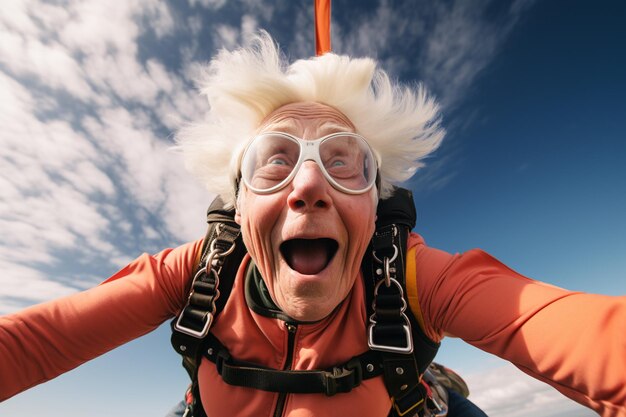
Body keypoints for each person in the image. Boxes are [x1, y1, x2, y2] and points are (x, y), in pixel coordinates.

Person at [1, 31, 624, 417]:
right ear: (238, 202)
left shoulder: (409, 274)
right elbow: (32, 344)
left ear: (373, 206)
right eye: (273, 163)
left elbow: (576, 336)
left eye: (343, 163)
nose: (308, 187)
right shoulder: (199, 272)